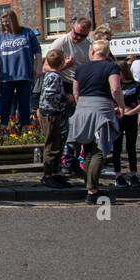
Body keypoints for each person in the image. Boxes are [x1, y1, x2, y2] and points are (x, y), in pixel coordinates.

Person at [66, 39, 125, 204]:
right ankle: (92, 191)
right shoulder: (111, 66)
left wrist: (82, 106)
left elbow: (75, 92)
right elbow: (115, 89)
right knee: (100, 150)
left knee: (88, 148)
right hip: (101, 109)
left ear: (92, 52)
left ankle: (91, 187)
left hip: (83, 108)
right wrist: (121, 106)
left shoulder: (81, 68)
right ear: (106, 53)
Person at [49, 17, 92, 174]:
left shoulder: (88, 46)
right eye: (77, 33)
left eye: (83, 36)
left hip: (81, 87)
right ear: (72, 28)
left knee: (79, 127)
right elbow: (46, 66)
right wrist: (64, 65)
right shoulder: (60, 43)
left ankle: (72, 161)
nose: (78, 38)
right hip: (64, 85)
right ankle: (65, 161)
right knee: (67, 126)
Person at [0, 10, 42, 127]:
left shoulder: (27, 32)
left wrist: (39, 68)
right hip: (5, 76)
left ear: (14, 20)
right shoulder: (0, 37)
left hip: (24, 74)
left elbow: (37, 51)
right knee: (5, 102)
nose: (5, 25)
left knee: (24, 103)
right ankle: (3, 128)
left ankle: (25, 128)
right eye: (3, 23)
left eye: (7, 22)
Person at [111, 60, 140, 187]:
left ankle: (133, 174)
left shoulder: (136, 85)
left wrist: (131, 112)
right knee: (117, 147)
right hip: (118, 119)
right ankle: (118, 175)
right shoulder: (114, 85)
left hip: (131, 118)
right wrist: (117, 109)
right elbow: (109, 102)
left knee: (131, 147)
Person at [37, 49, 70, 188]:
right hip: (51, 113)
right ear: (62, 62)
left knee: (56, 143)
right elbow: (50, 95)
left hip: (50, 112)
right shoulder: (54, 77)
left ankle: (55, 172)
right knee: (51, 144)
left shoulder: (50, 75)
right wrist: (65, 98)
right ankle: (48, 174)